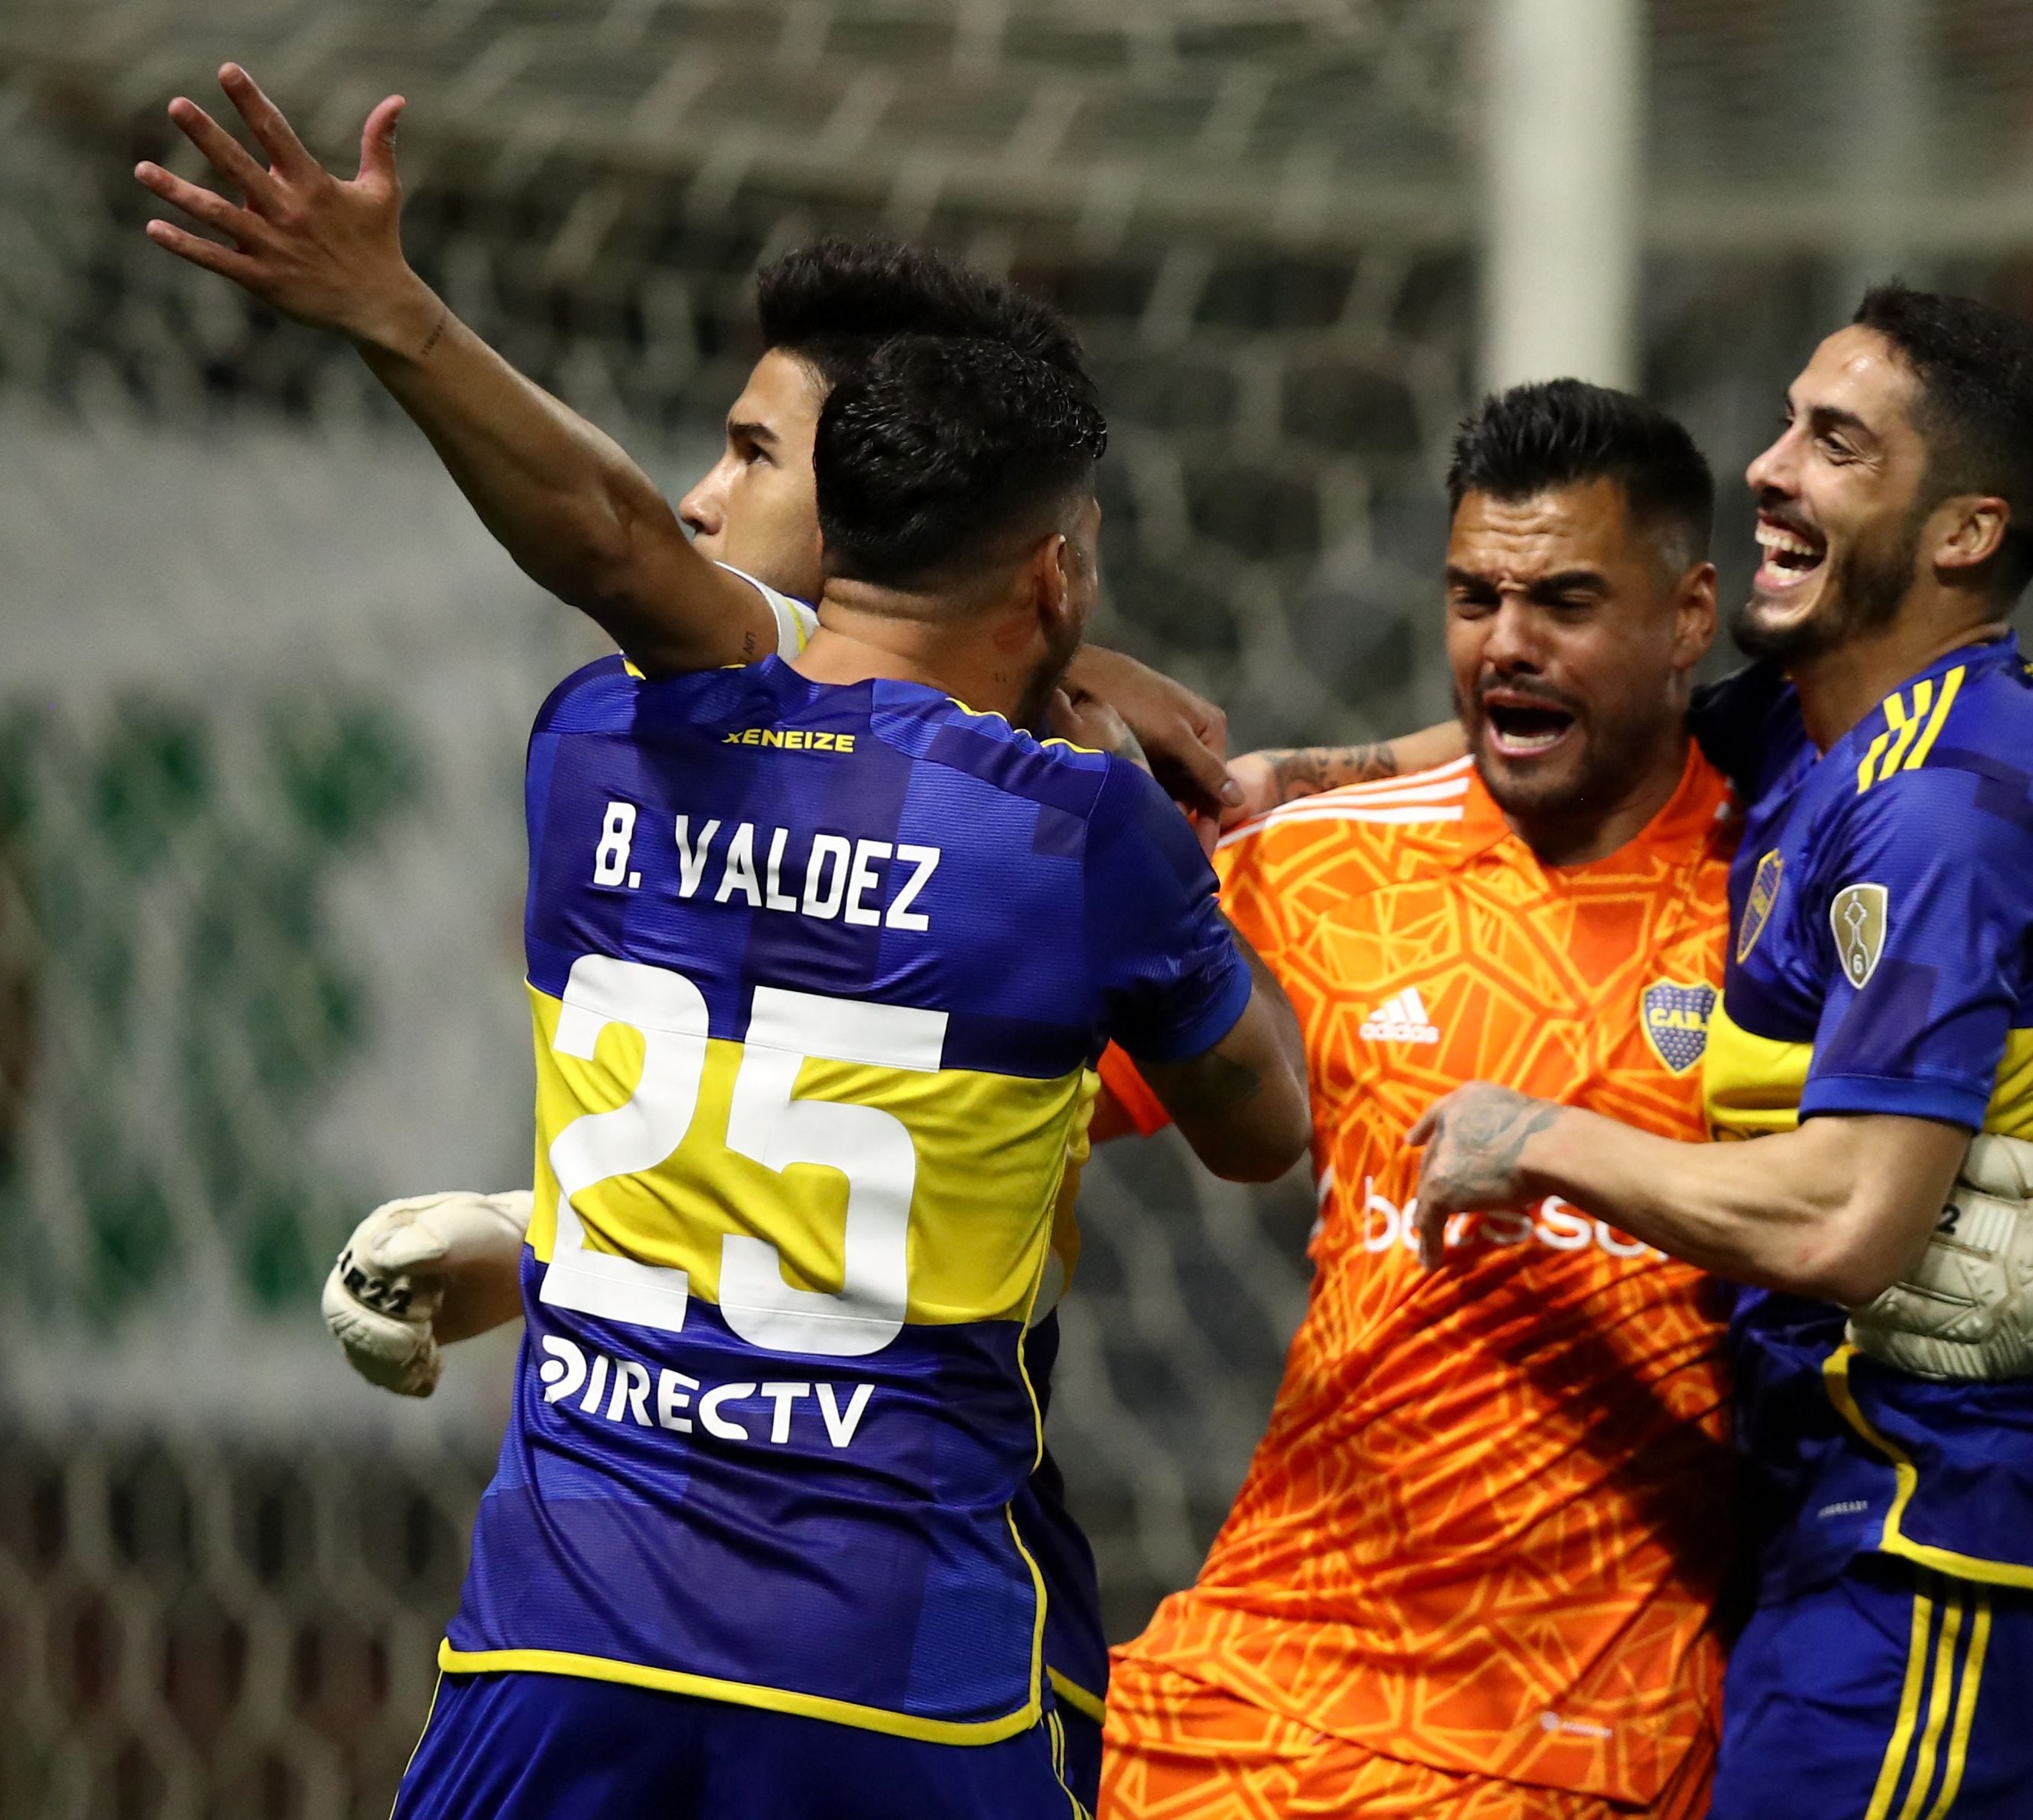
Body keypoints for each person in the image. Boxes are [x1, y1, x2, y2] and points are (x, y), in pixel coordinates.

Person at [142, 75, 1313, 1820]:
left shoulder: (587, 742)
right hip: (902, 1664)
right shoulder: (1089, 836)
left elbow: (624, 557)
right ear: (1047, 567)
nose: (693, 495)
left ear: (862, 508)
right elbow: (1233, 1119)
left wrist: (548, 1248)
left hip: (570, 1634)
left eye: (752, 453)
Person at [1402, 288, 2033, 1820]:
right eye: (1786, 421)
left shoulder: (1949, 803)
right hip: (1840, 1544)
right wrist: (1266, 769)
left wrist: (1537, 1136)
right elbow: (1566, 721)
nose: (1769, 466)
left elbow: (1849, 1223)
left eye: (1835, 443)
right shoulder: (1808, 730)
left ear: (1966, 533)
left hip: (1944, 1565)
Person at [1097, 381, 1739, 1819]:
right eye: (1473, 596)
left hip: (1583, 1747)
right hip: (1245, 1700)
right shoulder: (1313, 861)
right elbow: (976, 1107)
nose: (1506, 642)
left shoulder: (1797, 886)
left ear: (1689, 617)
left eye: (1564, 600)